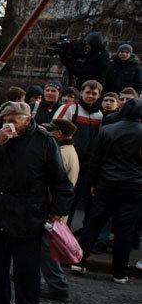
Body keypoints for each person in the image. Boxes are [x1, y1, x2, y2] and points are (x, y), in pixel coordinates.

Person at [0, 102, 73, 304]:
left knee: (26, 269)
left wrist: (58, 211)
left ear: (28, 120)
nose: (8, 123)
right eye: (5, 119)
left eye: (14, 119)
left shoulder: (44, 141)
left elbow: (59, 180)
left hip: (29, 215)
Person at [74, 99, 142, 284]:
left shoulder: (107, 130)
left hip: (107, 183)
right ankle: (119, 272)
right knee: (124, 230)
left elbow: (97, 159)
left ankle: (79, 261)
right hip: (133, 186)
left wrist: (93, 182)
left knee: (93, 223)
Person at [38, 119, 79, 302]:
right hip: (55, 208)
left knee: (47, 249)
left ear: (58, 134)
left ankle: (58, 285)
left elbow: (53, 182)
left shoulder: (60, 153)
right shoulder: (69, 150)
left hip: (51, 209)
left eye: (49, 131)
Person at [53, 80, 103, 225]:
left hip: (87, 163)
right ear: (81, 93)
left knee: (76, 197)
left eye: (94, 93)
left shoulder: (99, 115)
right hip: (68, 158)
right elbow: (55, 128)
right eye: (87, 92)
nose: (90, 96)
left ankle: (65, 228)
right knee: (63, 194)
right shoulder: (70, 108)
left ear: (99, 95)